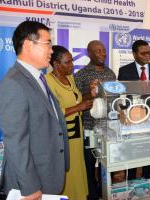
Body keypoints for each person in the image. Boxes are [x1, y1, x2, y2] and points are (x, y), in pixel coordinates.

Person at [0, 21, 69, 199]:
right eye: (48, 44)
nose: (52, 50)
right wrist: (30, 187)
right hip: (31, 183)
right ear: (28, 45)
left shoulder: (38, 77)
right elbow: (16, 142)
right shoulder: (14, 84)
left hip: (48, 172)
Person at [46, 45, 93, 200]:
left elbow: (79, 99)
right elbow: (53, 111)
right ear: (56, 64)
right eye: (68, 62)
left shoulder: (70, 78)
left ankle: (79, 195)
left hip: (77, 132)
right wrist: (79, 107)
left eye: (72, 61)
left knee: (78, 166)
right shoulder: (47, 82)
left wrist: (90, 94)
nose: (72, 65)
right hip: (63, 134)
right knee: (67, 169)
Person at [74, 40, 116, 200]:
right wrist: (89, 93)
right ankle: (91, 192)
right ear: (89, 54)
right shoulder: (81, 75)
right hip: (89, 126)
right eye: (98, 51)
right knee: (89, 163)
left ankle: (104, 189)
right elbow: (76, 100)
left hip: (108, 125)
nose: (102, 53)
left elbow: (115, 97)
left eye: (103, 50)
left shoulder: (111, 73)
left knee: (108, 160)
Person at [118, 39, 150, 180]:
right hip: (133, 117)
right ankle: (130, 179)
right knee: (133, 149)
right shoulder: (124, 71)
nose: (147, 56)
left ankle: (146, 179)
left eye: (149, 53)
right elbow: (121, 96)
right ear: (134, 54)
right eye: (143, 53)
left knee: (148, 149)